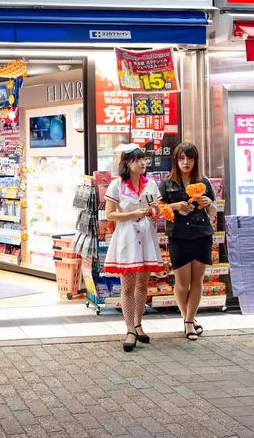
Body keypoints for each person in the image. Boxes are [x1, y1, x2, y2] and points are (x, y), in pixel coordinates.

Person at [103, 144, 165, 352]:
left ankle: (138, 324)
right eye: (137, 160)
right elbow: (109, 215)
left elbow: (157, 209)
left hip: (146, 235)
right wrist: (133, 214)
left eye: (144, 159)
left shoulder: (151, 185)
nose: (142, 163)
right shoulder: (116, 185)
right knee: (127, 285)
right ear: (127, 163)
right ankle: (129, 329)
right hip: (127, 236)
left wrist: (155, 212)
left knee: (142, 284)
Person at [158, 143, 217, 341]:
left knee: (197, 281)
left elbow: (213, 211)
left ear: (195, 160)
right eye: (182, 158)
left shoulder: (204, 181)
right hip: (178, 236)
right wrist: (174, 205)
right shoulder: (167, 182)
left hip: (202, 234)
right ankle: (188, 319)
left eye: (190, 159)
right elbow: (158, 208)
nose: (186, 163)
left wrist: (209, 203)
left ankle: (189, 321)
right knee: (182, 283)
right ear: (176, 160)